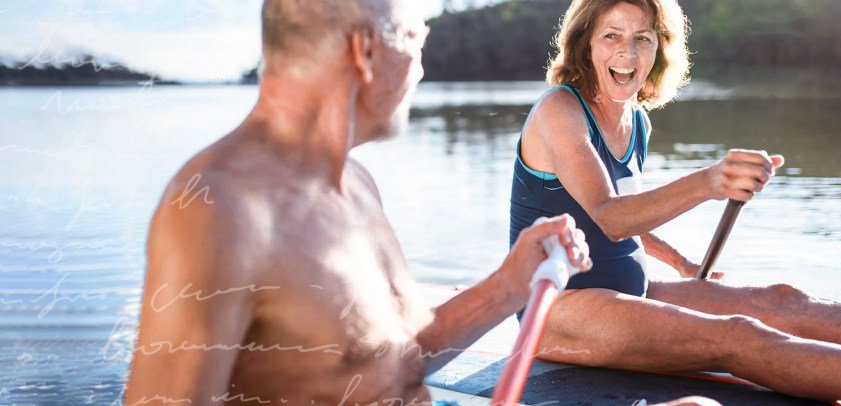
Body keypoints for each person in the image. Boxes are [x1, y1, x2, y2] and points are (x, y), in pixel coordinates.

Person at [124, 1, 723, 405]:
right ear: (364, 52)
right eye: (414, 36)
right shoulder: (215, 210)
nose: (421, 62)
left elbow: (397, 356)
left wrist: (508, 284)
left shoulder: (353, 184)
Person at [510, 0, 841, 404]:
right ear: (585, 44)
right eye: (612, 37)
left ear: (658, 50)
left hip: (632, 289)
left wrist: (681, 262)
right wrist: (709, 181)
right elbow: (608, 218)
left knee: (782, 301)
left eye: (642, 39)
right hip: (558, 310)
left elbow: (603, 213)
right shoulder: (561, 109)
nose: (627, 54)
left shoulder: (633, 119)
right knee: (739, 336)